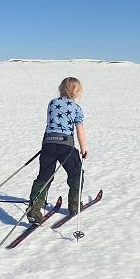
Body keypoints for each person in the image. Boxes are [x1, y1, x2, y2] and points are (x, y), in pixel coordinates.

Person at [26, 77, 88, 224]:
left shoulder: (52, 103)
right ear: (77, 91)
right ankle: (74, 205)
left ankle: (34, 209)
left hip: (48, 143)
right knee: (76, 173)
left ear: (61, 88)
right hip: (66, 145)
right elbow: (80, 131)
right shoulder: (77, 109)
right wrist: (83, 149)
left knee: (45, 176)